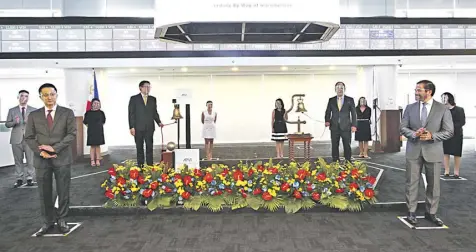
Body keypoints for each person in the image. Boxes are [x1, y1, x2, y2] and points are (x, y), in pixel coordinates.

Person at [24, 83, 77, 235]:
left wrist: (54, 148)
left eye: (52, 94)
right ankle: (47, 222)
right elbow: (29, 137)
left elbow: (72, 134)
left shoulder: (67, 113)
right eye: (45, 95)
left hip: (62, 158)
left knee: (63, 190)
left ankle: (62, 219)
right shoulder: (34, 115)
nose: (49, 97)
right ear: (41, 97)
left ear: (56, 95)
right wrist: (42, 152)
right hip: (41, 159)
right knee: (44, 192)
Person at [400, 80, 453, 226]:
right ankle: (411, 212)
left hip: (433, 151)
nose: (416, 92)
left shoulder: (442, 109)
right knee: (411, 182)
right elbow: (403, 127)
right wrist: (413, 133)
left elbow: (449, 131)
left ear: (428, 91)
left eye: (419, 90)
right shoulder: (409, 108)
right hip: (413, 150)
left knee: (434, 185)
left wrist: (432, 136)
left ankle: (431, 213)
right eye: (416, 90)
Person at [5, 90, 37, 188]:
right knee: (18, 160)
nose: (24, 98)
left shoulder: (33, 110)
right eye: (22, 96)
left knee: (30, 160)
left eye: (26, 96)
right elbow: (7, 124)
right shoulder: (12, 110)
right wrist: (14, 122)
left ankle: (30, 178)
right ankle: (19, 178)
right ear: (18, 97)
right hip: (16, 139)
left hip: (29, 139)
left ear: (28, 98)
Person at [128, 80, 163, 167]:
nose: (148, 88)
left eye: (149, 87)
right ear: (140, 88)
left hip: (149, 127)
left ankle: (150, 165)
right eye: (146, 86)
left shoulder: (153, 99)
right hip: (138, 127)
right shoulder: (134, 99)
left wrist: (159, 122)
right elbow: (131, 114)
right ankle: (140, 165)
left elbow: (154, 112)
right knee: (139, 147)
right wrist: (131, 127)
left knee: (149, 147)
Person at [325, 82, 357, 163]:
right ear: (335, 90)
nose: (340, 89)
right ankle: (335, 160)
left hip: (346, 126)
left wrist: (354, 125)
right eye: (338, 88)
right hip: (334, 126)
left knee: (347, 144)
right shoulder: (331, 100)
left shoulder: (350, 100)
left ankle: (348, 160)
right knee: (334, 145)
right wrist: (327, 120)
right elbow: (328, 112)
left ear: (344, 89)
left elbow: (353, 114)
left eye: (341, 88)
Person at [441, 92, 465, 178]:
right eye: (442, 98)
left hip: (457, 134)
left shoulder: (460, 109)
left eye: (445, 97)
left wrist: (450, 127)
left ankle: (456, 172)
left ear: (450, 98)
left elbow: (462, 122)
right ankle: (446, 171)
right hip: (446, 134)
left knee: (457, 153)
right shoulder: (442, 110)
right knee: (445, 152)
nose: (443, 99)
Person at [83, 98, 106, 167]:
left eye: (98, 103)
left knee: (98, 146)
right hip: (91, 131)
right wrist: (91, 127)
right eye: (95, 103)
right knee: (92, 146)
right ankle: (92, 160)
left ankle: (98, 160)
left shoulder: (101, 113)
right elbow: (85, 122)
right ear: (92, 104)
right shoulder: (88, 113)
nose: (96, 105)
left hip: (99, 131)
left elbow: (103, 121)